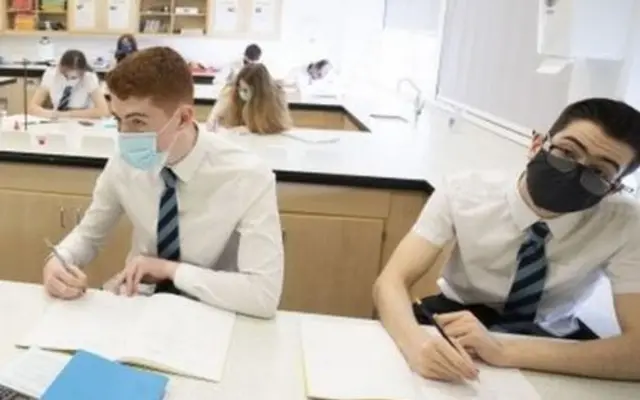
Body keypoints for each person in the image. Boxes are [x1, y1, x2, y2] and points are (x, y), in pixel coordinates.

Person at [373, 98, 640, 382]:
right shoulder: (464, 191)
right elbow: (391, 281)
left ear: (613, 189)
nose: (575, 170)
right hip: (455, 314)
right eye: (567, 151)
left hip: (553, 333)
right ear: (537, 144)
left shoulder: (625, 223)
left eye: (599, 172)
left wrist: (504, 350)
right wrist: (416, 346)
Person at [41, 46, 284, 319]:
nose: (125, 136)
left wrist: (169, 270)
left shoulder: (248, 176)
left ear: (183, 118)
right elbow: (88, 235)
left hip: (213, 312)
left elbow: (263, 294)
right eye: (118, 120)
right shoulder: (123, 163)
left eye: (137, 122)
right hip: (138, 304)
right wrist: (59, 261)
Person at [206, 63, 291, 135]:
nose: (241, 93)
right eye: (239, 88)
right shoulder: (230, 95)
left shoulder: (277, 97)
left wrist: (248, 129)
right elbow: (212, 123)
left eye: (245, 90)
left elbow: (278, 127)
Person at [29, 49, 109, 119]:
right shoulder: (51, 74)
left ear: (83, 72)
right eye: (65, 75)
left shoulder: (89, 77)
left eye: (74, 78)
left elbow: (103, 111)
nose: (68, 80)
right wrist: (50, 114)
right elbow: (32, 107)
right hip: (57, 120)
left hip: (82, 121)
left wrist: (66, 114)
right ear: (60, 67)